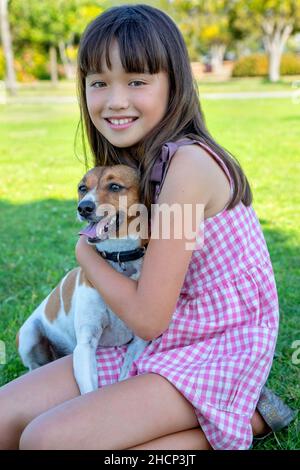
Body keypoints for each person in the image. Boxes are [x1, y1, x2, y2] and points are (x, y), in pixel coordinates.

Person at [0, 4, 295, 450]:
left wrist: (85, 256)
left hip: (210, 348)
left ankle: (247, 414)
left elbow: (148, 318)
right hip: (153, 338)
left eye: (136, 81)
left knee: (46, 440)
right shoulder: (137, 163)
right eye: (99, 83)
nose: (115, 100)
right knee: (5, 419)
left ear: (174, 84)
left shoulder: (189, 166)